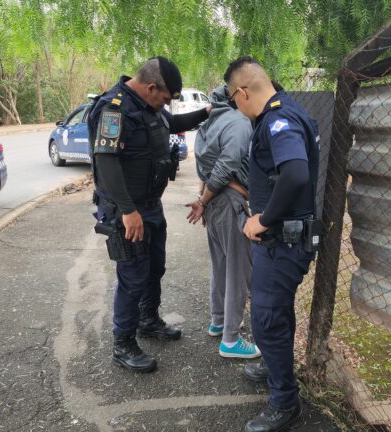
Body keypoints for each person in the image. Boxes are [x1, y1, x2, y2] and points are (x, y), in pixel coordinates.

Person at [87, 57, 211, 374]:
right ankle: (123, 344)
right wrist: (128, 211)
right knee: (133, 277)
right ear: (151, 87)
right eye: (165, 99)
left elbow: (175, 123)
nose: (166, 105)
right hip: (126, 211)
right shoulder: (114, 108)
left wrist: (208, 112)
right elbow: (106, 161)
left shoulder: (149, 106)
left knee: (155, 267)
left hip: (151, 206)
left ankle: (148, 320)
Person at [224, 56, 320, 432]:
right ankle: (274, 365)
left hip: (282, 243)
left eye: (234, 99)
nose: (236, 106)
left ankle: (285, 402)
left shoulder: (279, 120)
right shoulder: (285, 112)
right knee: (276, 313)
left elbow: (295, 174)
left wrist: (263, 220)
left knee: (266, 320)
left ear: (242, 92)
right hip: (285, 240)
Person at [185, 85, 259, 359]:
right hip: (228, 202)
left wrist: (203, 199)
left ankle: (218, 321)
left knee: (221, 265)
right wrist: (203, 201)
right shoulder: (239, 122)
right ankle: (230, 339)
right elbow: (226, 165)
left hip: (213, 201)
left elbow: (203, 169)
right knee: (239, 269)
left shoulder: (206, 126)